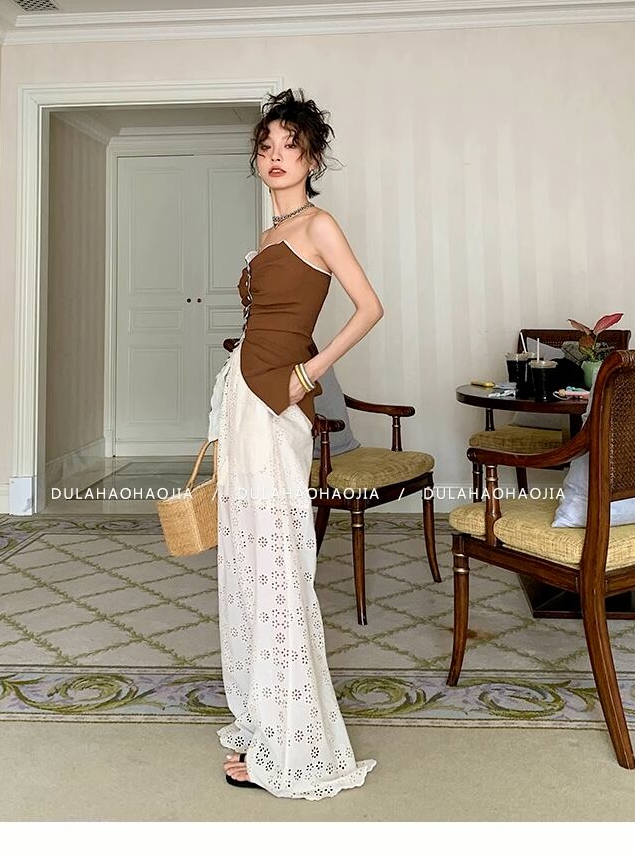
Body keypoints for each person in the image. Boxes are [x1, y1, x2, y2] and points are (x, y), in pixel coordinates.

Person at [207, 88, 384, 800]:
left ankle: (293, 741)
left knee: (279, 565)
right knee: (249, 562)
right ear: (257, 160)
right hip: (243, 401)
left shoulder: (318, 225)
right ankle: (264, 718)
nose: (276, 156)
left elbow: (369, 307)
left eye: (291, 146)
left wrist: (307, 375)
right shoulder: (270, 233)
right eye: (266, 146)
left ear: (312, 158)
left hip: (276, 405)